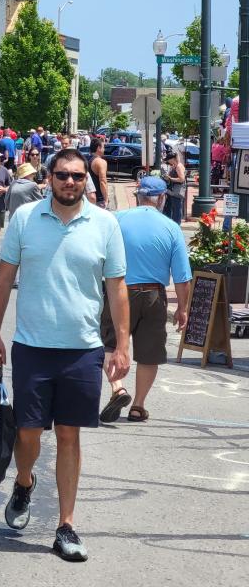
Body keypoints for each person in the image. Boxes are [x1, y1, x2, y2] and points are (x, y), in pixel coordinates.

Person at [0, 147, 130, 562]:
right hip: (31, 346)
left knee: (69, 435)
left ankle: (65, 525)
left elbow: (116, 287)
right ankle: (25, 482)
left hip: (82, 350)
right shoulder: (26, 220)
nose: (70, 182)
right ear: (49, 177)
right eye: (63, 175)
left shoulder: (104, 224)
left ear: (87, 180)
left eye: (78, 176)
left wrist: (122, 344)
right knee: (29, 433)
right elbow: (4, 278)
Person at [99, 176, 191, 424]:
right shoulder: (171, 227)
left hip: (119, 290)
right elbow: (182, 277)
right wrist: (183, 308)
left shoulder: (117, 220)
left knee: (109, 343)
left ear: (138, 196)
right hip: (153, 294)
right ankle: (138, 406)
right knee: (149, 353)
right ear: (162, 198)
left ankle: (118, 388)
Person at [160, 151, 186, 224]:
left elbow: (182, 179)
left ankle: (177, 224)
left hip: (177, 190)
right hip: (174, 189)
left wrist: (170, 178)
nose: (168, 161)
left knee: (176, 209)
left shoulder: (178, 166)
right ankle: (175, 223)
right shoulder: (176, 165)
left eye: (168, 159)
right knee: (175, 208)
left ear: (172, 159)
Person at [87, 138, 109, 209]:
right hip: (98, 199)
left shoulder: (87, 159)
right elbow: (103, 182)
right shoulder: (101, 162)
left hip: (87, 197)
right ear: (99, 148)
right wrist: (106, 200)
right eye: (103, 147)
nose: (104, 150)